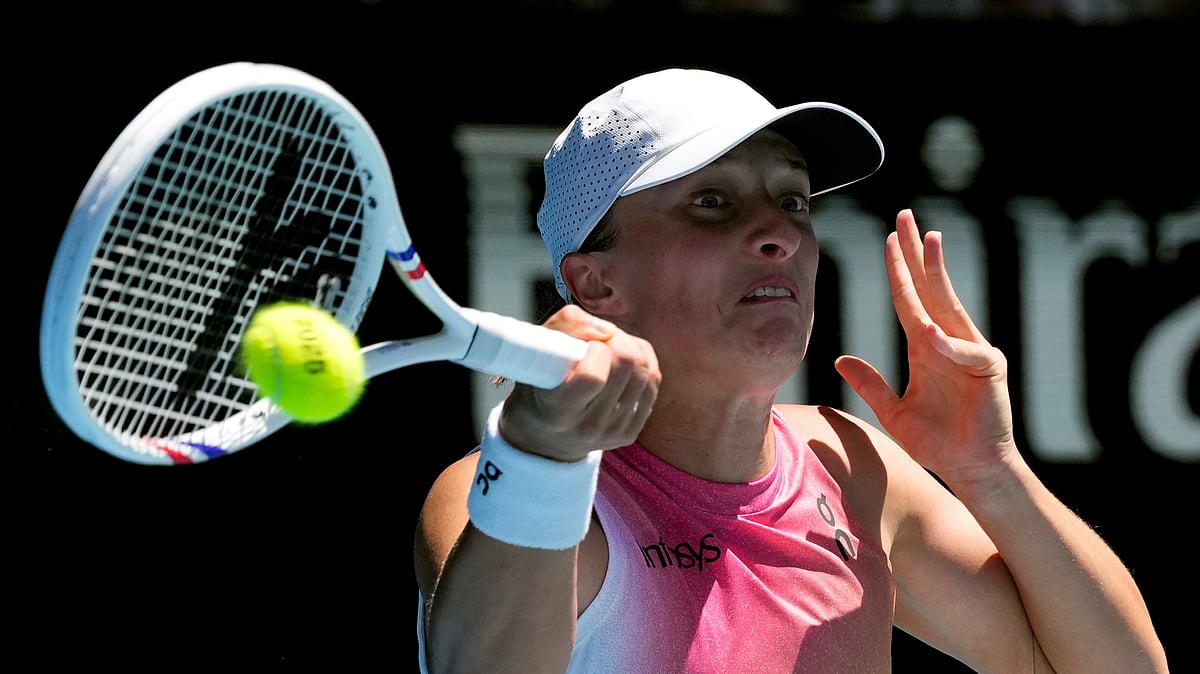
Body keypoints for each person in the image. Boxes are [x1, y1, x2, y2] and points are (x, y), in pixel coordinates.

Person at [413, 68, 1168, 673]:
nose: (778, 231)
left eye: (794, 200)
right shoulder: (510, 495)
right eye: (711, 202)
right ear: (595, 283)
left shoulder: (850, 469)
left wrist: (993, 472)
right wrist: (541, 453)